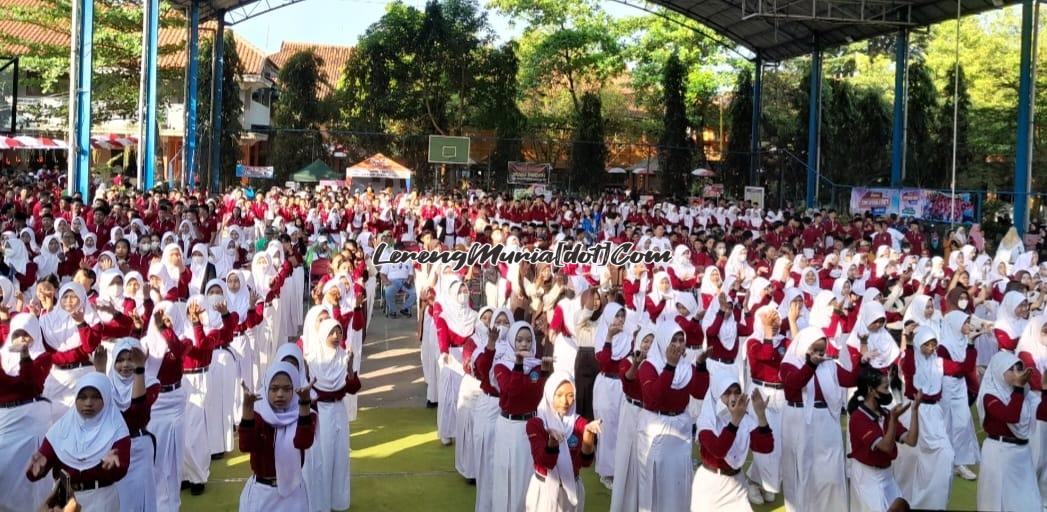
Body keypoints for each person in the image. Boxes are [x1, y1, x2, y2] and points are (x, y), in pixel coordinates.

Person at [779, 326, 860, 512]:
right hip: (800, 420)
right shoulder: (789, 364)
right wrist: (811, 365)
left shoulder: (829, 364)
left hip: (827, 420)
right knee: (805, 469)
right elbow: (795, 384)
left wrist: (861, 362)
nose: (819, 354)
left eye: (822, 350)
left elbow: (849, 380)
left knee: (830, 467)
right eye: (814, 350)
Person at [27, 373, 131, 512]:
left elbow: (120, 471)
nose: (88, 403)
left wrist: (112, 466)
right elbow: (36, 472)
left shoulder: (116, 429)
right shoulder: (61, 430)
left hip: (101, 500)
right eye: (82, 397)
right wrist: (36, 469)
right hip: (64, 501)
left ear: (106, 398)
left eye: (95, 397)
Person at [637, 322, 710, 511]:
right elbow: (653, 397)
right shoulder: (648, 365)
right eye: (673, 340)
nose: (678, 345)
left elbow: (700, 392)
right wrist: (669, 367)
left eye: (680, 340)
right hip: (656, 427)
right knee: (657, 480)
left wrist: (701, 366)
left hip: (680, 428)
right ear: (663, 341)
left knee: (679, 479)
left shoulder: (686, 367)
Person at [238, 362, 317, 511]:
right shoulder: (259, 414)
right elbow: (246, 445)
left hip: (293, 494)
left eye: (287, 389)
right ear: (266, 388)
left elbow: (303, 441)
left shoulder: (303, 414)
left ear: (295, 390)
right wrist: (247, 409)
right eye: (274, 389)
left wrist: (305, 404)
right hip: (263, 492)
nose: (280, 394)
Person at [491, 321, 552, 512]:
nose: (524, 344)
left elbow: (536, 395)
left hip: (529, 426)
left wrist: (543, 373)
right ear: (511, 341)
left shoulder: (535, 366)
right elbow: (512, 392)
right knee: (507, 473)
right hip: (508, 425)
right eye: (519, 340)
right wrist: (518, 365)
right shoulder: (502, 365)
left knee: (526, 475)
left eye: (528, 340)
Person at [690, 372, 773, 512]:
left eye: (736, 392)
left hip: (737, 485)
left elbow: (766, 446)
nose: (733, 398)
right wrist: (735, 421)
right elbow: (719, 450)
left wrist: (761, 415)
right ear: (717, 394)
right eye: (727, 393)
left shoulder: (744, 419)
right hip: (711, 486)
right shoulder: (706, 421)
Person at [303, 319, 361, 512]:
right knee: (324, 458)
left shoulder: (343, 357)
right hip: (322, 414)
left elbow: (353, 388)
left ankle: (339, 501)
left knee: (341, 455)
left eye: (339, 332)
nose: (336, 337)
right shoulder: (311, 360)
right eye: (332, 333)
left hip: (339, 411)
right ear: (323, 335)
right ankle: (321, 503)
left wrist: (351, 368)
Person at [895, 325, 954, 509]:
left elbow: (960, 367)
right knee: (911, 461)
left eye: (933, 345)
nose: (930, 349)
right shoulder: (909, 360)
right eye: (926, 345)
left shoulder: (938, 362)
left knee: (946, 456)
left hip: (934, 415)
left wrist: (968, 343)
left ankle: (933, 502)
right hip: (915, 413)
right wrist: (911, 346)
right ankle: (908, 501)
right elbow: (909, 372)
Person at [524, 370, 601, 511]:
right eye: (559, 395)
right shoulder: (536, 424)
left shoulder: (580, 423)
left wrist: (588, 435)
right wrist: (552, 441)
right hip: (544, 489)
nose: (565, 401)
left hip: (571, 490)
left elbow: (585, 462)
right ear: (549, 394)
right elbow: (544, 462)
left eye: (570, 396)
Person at [847, 364, 920, 512]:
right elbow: (886, 446)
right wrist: (893, 420)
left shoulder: (885, 413)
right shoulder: (859, 418)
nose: (889, 393)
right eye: (885, 388)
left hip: (887, 474)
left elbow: (911, 440)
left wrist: (914, 410)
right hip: (867, 476)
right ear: (871, 390)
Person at [0, 313, 53, 511]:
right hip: (3, 422)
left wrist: (24, 356)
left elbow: (32, 386)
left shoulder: (43, 357)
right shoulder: (1, 356)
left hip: (28, 425)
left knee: (26, 482)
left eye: (27, 334)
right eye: (18, 334)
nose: (22, 339)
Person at [100, 337, 160, 512]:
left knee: (141, 499)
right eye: (120, 360)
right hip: (112, 449)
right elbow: (100, 413)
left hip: (139, 448)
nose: (125, 365)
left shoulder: (150, 383)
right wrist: (100, 372)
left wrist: (140, 372)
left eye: (131, 359)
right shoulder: (105, 383)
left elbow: (137, 416)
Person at [608, 327, 654, 512]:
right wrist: (637, 364)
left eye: (652, 341)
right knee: (626, 457)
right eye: (645, 340)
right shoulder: (627, 361)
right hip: (630, 410)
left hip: (649, 415)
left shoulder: (657, 364)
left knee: (645, 460)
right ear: (638, 341)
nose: (648, 345)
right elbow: (627, 381)